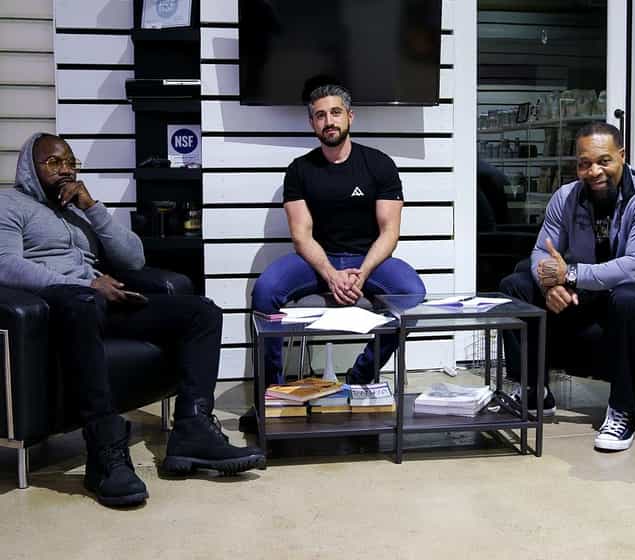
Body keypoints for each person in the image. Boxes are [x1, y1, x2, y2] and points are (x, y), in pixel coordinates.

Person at [0, 133, 265, 507]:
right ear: (30, 166)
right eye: (53, 162)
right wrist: (85, 285)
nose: (65, 170)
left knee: (202, 313)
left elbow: (133, 259)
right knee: (82, 302)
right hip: (57, 308)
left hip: (100, 303)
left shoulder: (77, 208)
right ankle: (105, 453)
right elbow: (6, 265)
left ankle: (192, 430)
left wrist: (92, 207)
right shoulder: (9, 204)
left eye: (70, 162)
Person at [499, 122, 635, 451]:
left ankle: (623, 410)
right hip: (586, 289)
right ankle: (534, 391)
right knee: (515, 285)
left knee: (627, 297)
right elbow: (541, 252)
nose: (594, 171)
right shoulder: (566, 196)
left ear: (622, 156)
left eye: (604, 161)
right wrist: (549, 285)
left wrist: (571, 275)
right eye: (584, 163)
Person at [251, 84, 426, 386]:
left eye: (335, 113)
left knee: (412, 293)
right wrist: (332, 275)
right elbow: (302, 237)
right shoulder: (299, 170)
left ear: (349, 117)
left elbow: (389, 232)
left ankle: (362, 374)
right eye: (320, 115)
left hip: (368, 260)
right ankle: (273, 391)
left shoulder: (379, 164)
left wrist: (362, 273)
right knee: (265, 291)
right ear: (312, 123)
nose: (329, 121)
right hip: (316, 261)